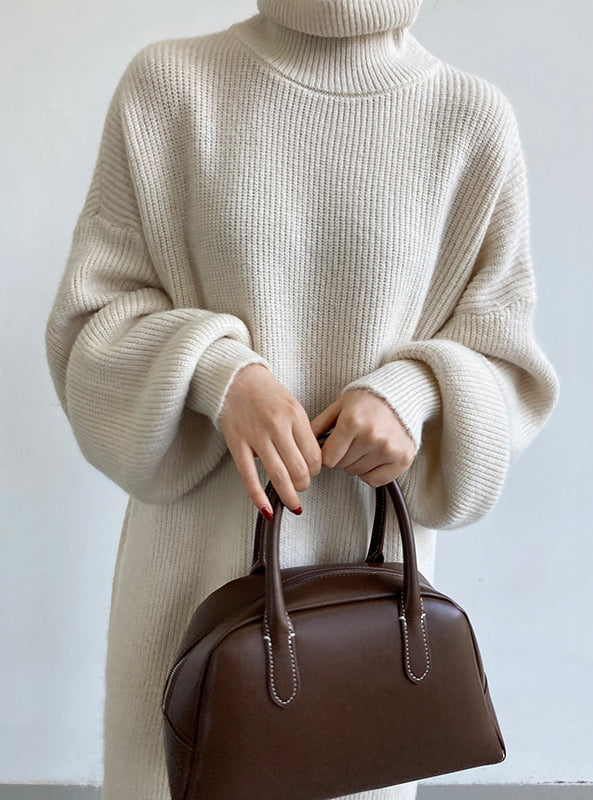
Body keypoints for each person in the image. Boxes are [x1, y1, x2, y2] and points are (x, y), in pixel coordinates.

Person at [44, 0, 560, 798]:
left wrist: (414, 392)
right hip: (189, 586)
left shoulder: (468, 119)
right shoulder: (172, 87)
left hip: (368, 617)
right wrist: (219, 373)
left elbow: (507, 364)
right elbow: (89, 330)